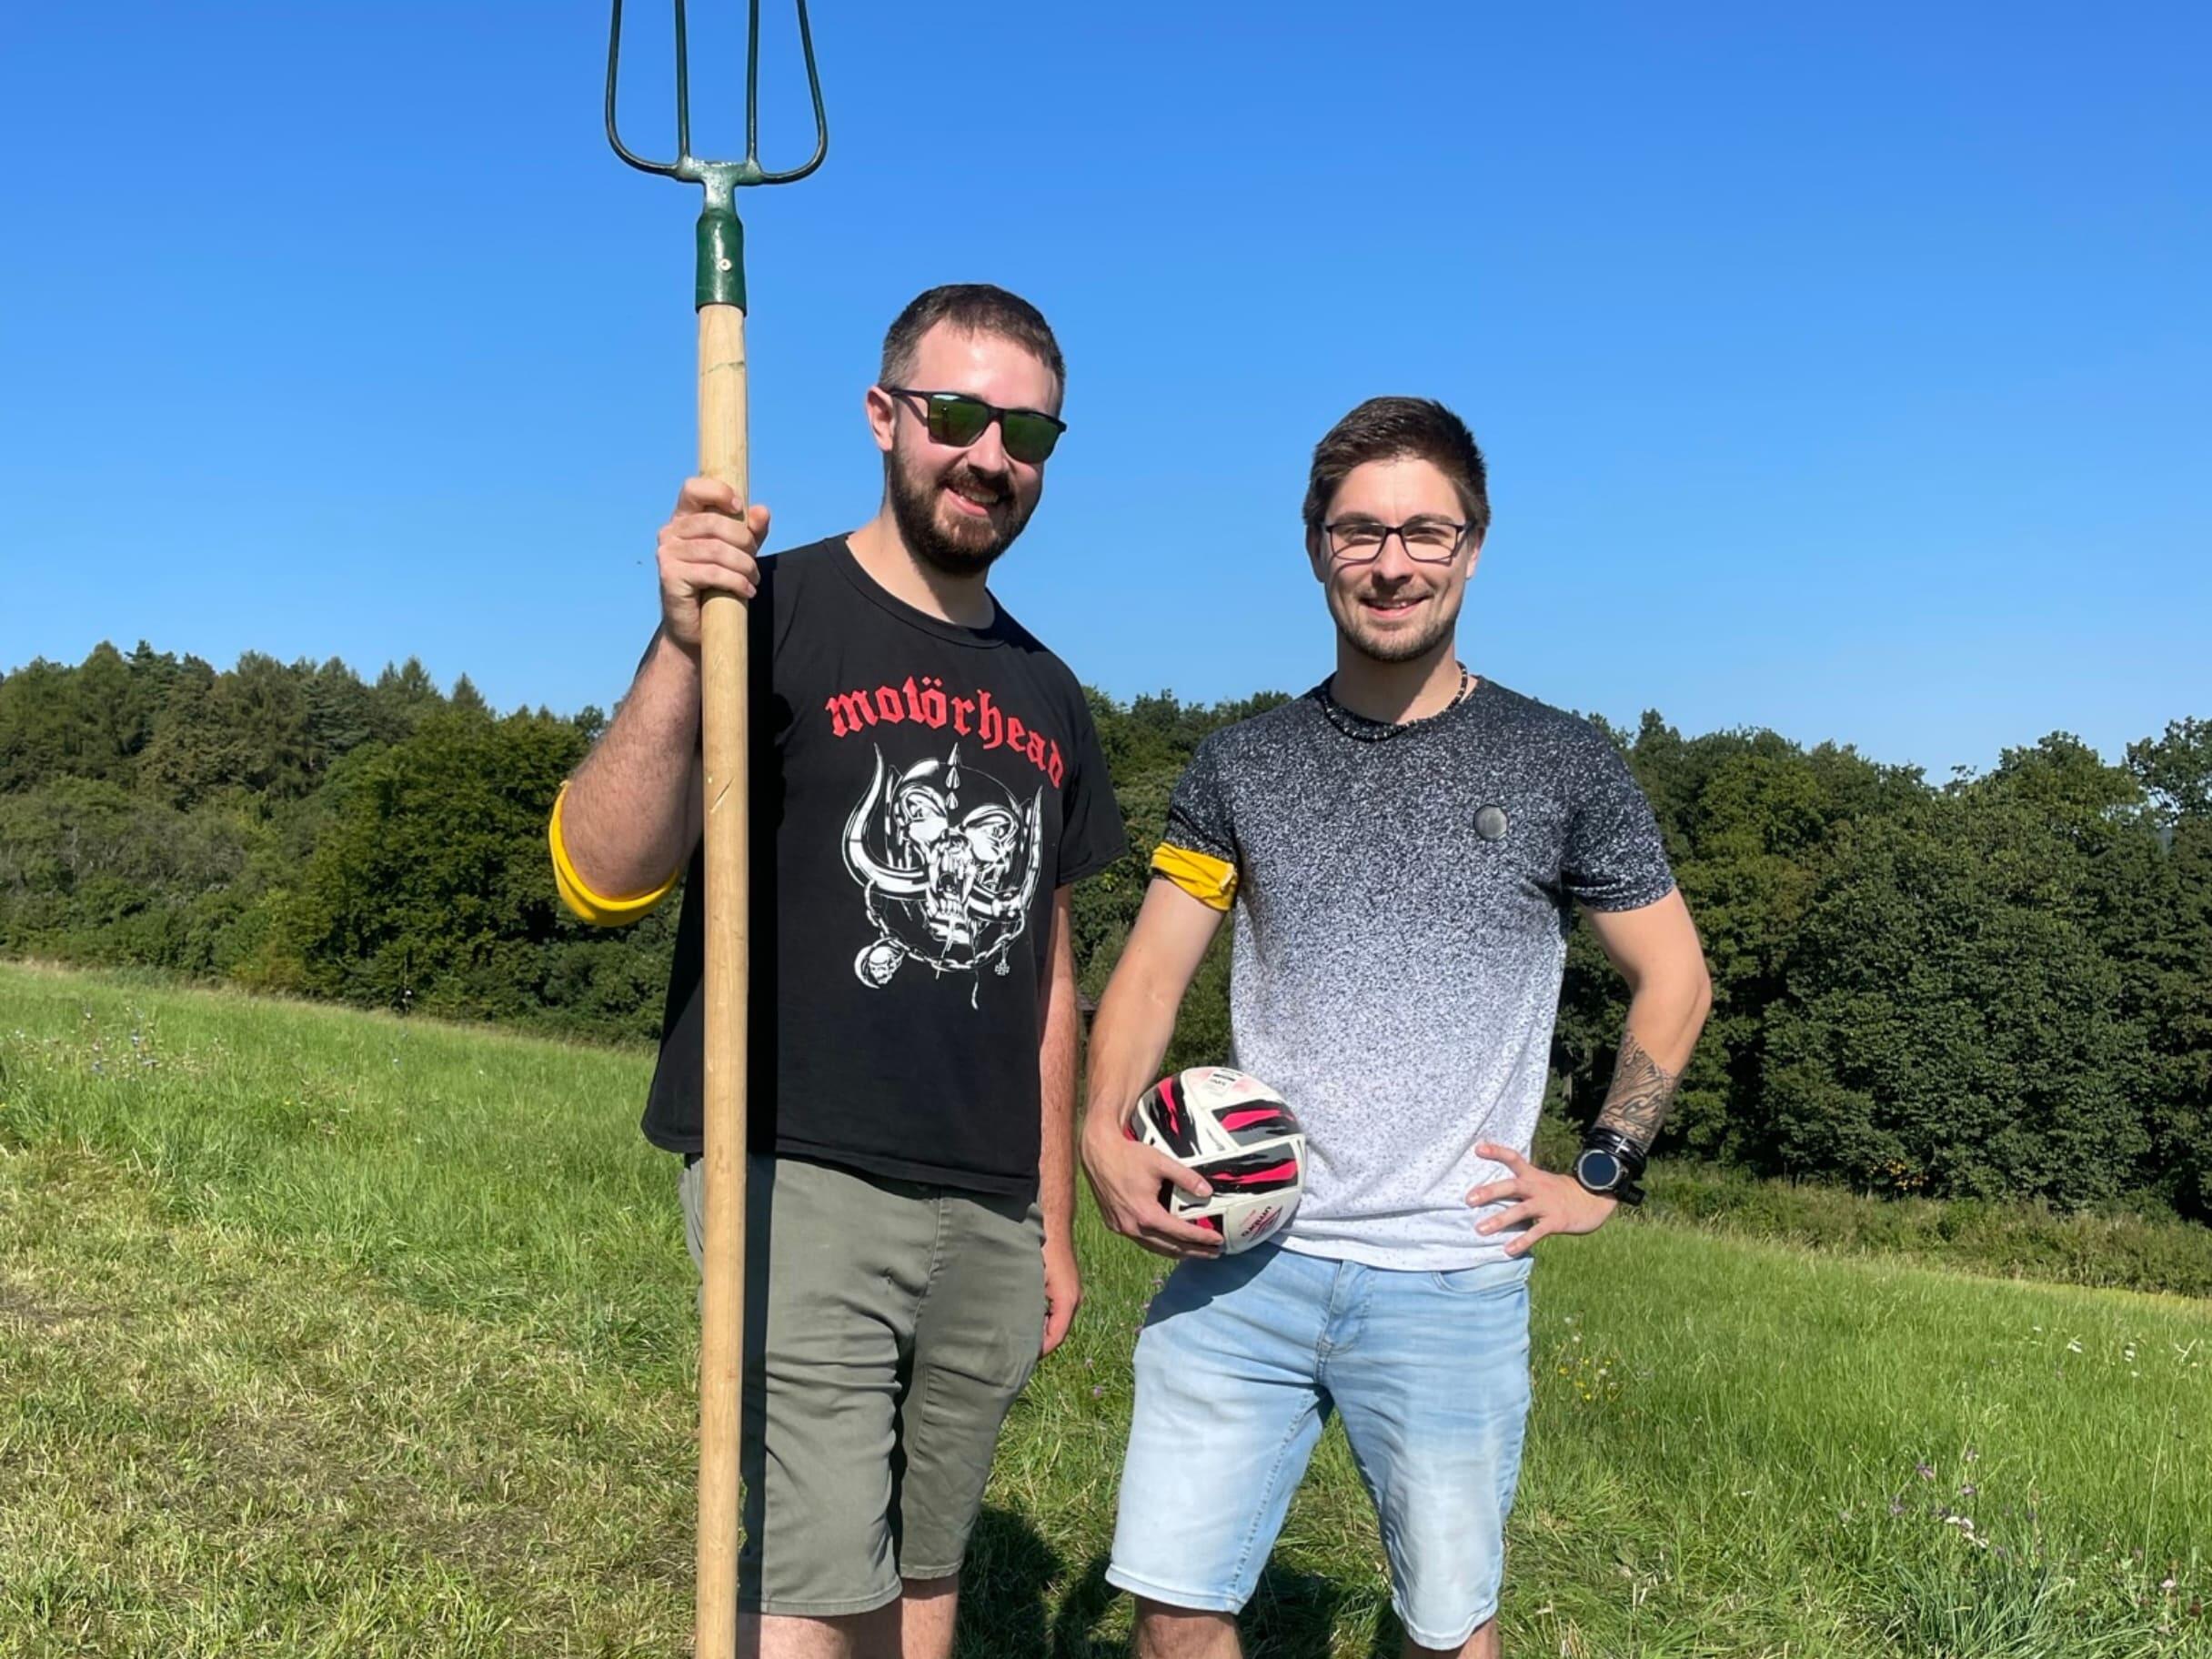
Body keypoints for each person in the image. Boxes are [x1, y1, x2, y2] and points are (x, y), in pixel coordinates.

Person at [1080, 397, 1712, 1658]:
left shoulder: (1564, 762)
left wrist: (1602, 1170)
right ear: (1315, 546)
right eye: (1360, 531)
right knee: (1173, 1610)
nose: (1393, 563)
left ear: (1473, 546)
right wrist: (1101, 1128)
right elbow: (1148, 974)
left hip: (1451, 1279)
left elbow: (1676, 977)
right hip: (1243, 1256)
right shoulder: (1242, 764)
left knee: (1447, 1630)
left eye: (1428, 532)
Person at [550, 284, 1126, 1659]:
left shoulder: (1050, 693)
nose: (991, 456)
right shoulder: (767, 612)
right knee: (819, 1578)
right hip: (796, 1171)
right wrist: (683, 644)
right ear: (885, 416)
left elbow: (1048, 970)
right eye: (959, 414)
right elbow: (601, 874)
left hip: (988, 1205)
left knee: (928, 1569)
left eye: (1028, 432)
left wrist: (1051, 1217)